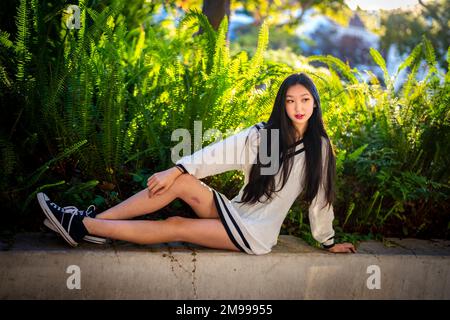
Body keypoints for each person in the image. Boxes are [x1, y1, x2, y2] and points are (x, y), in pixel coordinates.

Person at [37, 73, 356, 254]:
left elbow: (321, 199)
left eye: (304, 100)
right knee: (182, 181)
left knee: (175, 225)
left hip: (256, 232)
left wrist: (327, 241)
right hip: (236, 210)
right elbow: (217, 153)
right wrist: (176, 170)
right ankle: (91, 225)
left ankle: (82, 225)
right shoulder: (266, 136)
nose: (298, 107)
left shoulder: (321, 148)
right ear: (282, 104)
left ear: (315, 102)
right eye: (290, 100)